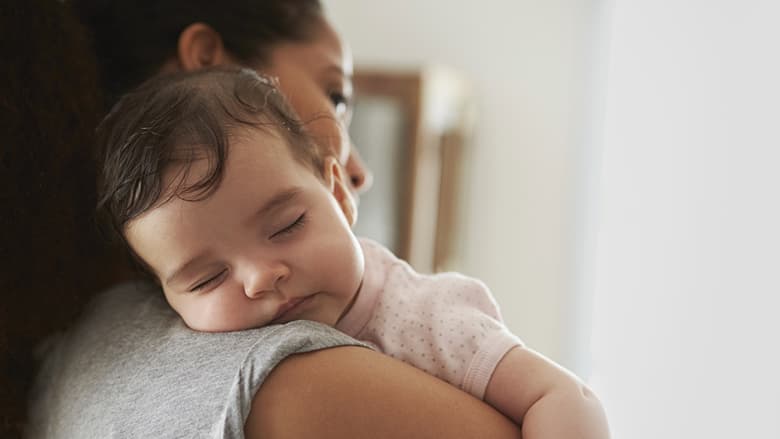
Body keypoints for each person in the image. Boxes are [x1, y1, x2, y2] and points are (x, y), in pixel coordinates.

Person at [27, 1, 527, 437]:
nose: (358, 172)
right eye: (335, 97)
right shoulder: (292, 386)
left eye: (285, 225)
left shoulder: (73, 345)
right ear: (206, 60)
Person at [94, 67, 610, 438]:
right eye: (207, 279)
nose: (260, 278)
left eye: (287, 226)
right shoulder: (204, 366)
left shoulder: (427, 318)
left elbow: (564, 397)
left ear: (338, 192)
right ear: (164, 296)